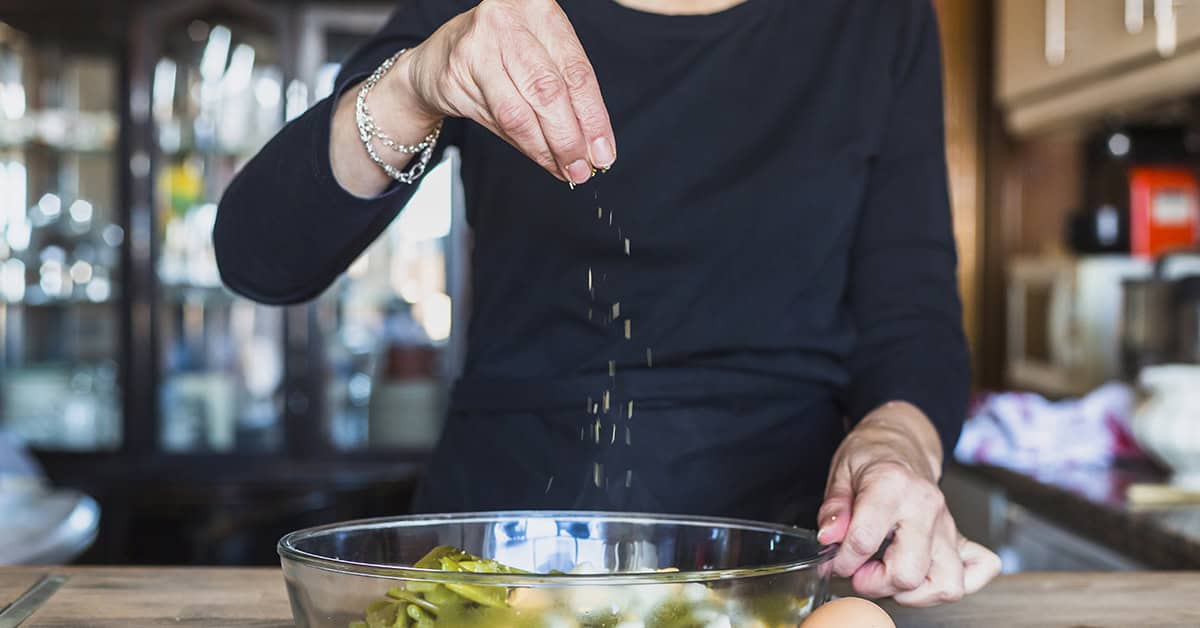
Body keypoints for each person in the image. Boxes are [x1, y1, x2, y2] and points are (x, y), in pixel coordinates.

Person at [214, 0, 1001, 606]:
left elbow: (913, 316)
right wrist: (417, 83)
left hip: (781, 559)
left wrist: (896, 443)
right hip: (504, 557)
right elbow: (260, 255)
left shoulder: (877, 17)